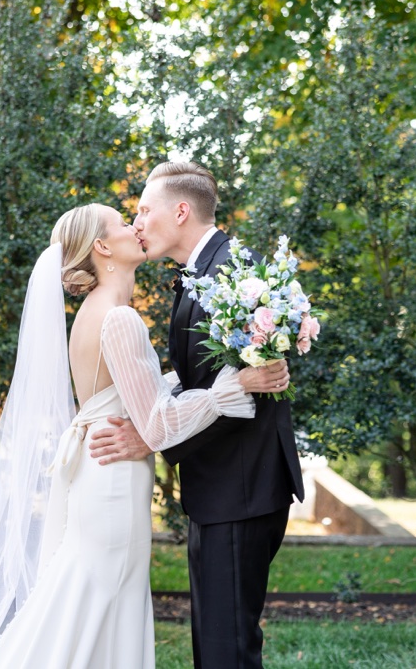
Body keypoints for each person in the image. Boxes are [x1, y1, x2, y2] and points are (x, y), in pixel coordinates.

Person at [0, 204, 288, 668]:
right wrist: (235, 386)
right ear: (103, 247)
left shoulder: (96, 314)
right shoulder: (119, 318)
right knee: (91, 604)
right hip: (112, 482)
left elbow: (135, 393)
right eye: (123, 223)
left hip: (99, 473)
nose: (136, 226)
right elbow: (155, 424)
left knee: (86, 602)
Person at [87, 162, 305, 668]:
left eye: (143, 209)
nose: (136, 222)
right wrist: (151, 419)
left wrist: (150, 439)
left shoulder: (236, 274)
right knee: (215, 643)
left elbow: (246, 393)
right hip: (220, 487)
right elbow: (207, 381)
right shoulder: (201, 277)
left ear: (180, 211)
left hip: (242, 487)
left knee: (227, 647)